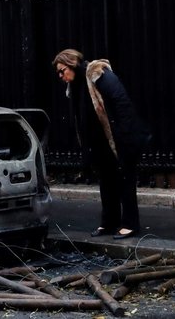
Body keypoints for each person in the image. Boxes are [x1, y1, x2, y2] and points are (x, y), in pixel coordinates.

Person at [52, 48, 150, 239]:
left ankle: (130, 225)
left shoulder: (98, 73)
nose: (61, 75)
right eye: (58, 73)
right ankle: (109, 223)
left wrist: (124, 135)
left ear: (72, 63)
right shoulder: (75, 86)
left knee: (125, 181)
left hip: (118, 139)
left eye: (62, 70)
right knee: (107, 183)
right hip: (99, 144)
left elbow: (121, 101)